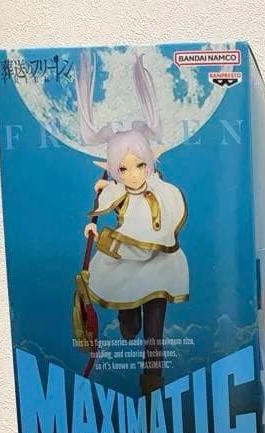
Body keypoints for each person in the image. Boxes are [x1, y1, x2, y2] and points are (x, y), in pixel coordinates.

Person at [76, 51, 189, 396]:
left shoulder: (162, 190)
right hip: (126, 261)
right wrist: (95, 227)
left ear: (149, 162)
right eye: (124, 169)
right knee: (130, 330)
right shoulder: (115, 190)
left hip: (160, 264)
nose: (134, 174)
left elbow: (166, 219)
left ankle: (152, 385)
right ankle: (127, 316)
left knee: (155, 332)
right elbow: (107, 208)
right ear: (114, 170)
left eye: (139, 165)